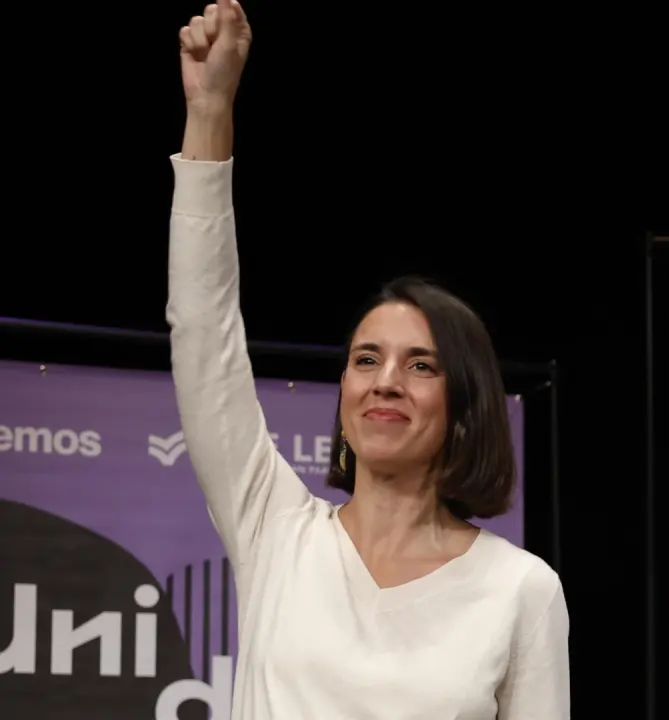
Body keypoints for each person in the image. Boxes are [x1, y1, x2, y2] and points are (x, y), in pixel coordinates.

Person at [168, 2, 570, 717]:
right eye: (366, 359)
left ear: (466, 407)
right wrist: (209, 114)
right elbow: (204, 336)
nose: (386, 382)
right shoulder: (276, 531)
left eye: (421, 366)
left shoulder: (520, 589)